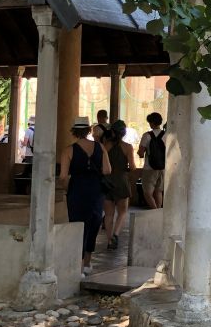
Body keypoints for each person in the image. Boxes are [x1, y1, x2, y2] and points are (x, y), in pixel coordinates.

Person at [59, 116, 111, 276]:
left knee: (77, 226)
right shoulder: (99, 147)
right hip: (96, 190)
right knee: (93, 224)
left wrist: (68, 188)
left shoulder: (68, 150)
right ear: (89, 130)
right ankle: (87, 262)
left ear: (74, 131)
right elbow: (108, 170)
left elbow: (63, 176)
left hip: (77, 190)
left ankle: (78, 265)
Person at [102, 119, 136, 250]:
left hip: (107, 180)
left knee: (108, 214)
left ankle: (110, 240)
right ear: (124, 133)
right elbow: (132, 166)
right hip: (121, 180)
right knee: (122, 212)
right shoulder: (128, 147)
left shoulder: (105, 146)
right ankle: (116, 234)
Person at [138, 112, 166, 209]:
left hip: (149, 168)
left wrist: (141, 153)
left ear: (152, 123)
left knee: (147, 193)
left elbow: (141, 153)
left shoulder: (147, 135)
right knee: (158, 191)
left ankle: (154, 211)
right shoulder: (166, 135)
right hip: (163, 168)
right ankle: (158, 213)